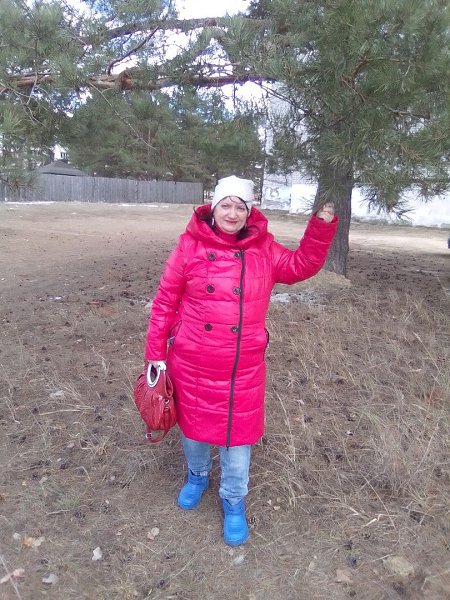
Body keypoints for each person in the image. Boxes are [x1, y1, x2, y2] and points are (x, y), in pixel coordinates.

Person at [144, 175, 337, 546]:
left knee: (237, 442)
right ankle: (197, 476)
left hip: (241, 367)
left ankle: (233, 501)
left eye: (240, 207)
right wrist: (155, 353)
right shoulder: (189, 246)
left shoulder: (264, 249)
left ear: (249, 213)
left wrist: (321, 228)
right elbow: (165, 301)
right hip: (192, 360)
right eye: (226, 205)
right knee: (193, 430)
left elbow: (301, 265)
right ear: (213, 207)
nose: (232, 213)